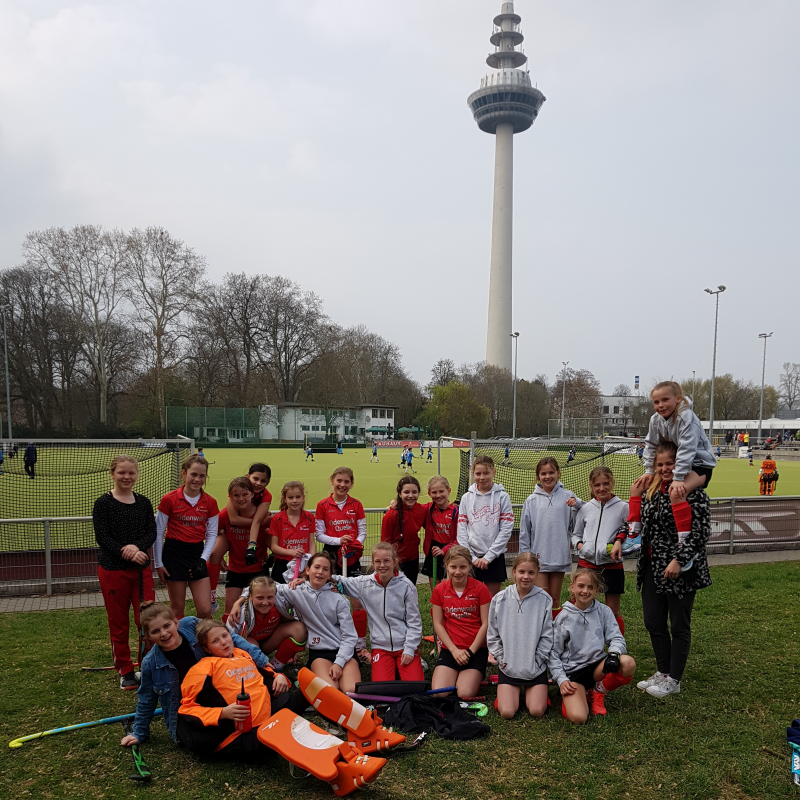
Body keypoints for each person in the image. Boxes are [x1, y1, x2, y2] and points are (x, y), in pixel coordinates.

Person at [120, 601, 276, 748]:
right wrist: (139, 733)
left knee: (269, 689)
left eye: (167, 626)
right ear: (148, 637)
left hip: (214, 694)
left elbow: (233, 638)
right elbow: (146, 699)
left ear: (176, 622)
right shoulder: (150, 663)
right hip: (189, 711)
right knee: (201, 741)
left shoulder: (191, 625)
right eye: (155, 631)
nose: (164, 633)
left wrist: (260, 659)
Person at [636, 442, 711, 699]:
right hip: (651, 567)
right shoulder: (653, 491)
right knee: (653, 622)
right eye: (660, 464)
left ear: (681, 463)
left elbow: (701, 534)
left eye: (670, 463)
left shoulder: (694, 492)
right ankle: (663, 671)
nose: (665, 468)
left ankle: (674, 679)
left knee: (679, 624)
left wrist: (679, 560)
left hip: (681, 569)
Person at [176, 620, 308, 759]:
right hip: (244, 732)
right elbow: (186, 709)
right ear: (207, 648)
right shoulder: (202, 669)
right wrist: (222, 713)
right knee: (276, 742)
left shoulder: (241, 654)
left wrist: (279, 676)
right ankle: (285, 733)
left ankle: (295, 726)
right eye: (215, 641)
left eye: (225, 636)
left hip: (271, 713)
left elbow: (263, 671)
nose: (223, 642)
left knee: (310, 688)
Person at [92, 455, 157, 690]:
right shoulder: (103, 503)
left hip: (141, 571)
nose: (127, 477)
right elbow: (103, 537)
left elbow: (151, 533)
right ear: (113, 474)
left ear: (137, 474)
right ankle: (125, 669)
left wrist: (137, 548)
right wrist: (127, 551)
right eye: (122, 473)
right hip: (113, 571)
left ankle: (148, 665)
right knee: (118, 622)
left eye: (131, 473)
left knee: (148, 620)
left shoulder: (143, 503)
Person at [628, 381, 715, 554]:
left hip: (699, 465)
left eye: (665, 400)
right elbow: (651, 444)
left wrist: (678, 478)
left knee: (676, 493)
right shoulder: (655, 420)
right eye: (656, 402)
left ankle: (684, 545)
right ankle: (634, 535)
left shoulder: (686, 417)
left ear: (678, 399)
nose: (660, 405)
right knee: (636, 487)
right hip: (676, 464)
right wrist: (649, 471)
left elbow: (687, 448)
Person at [549, 569, 636, 722]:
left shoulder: (604, 611)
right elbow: (553, 653)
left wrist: (614, 653)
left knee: (627, 663)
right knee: (578, 717)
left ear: (597, 590)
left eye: (590, 587)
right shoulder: (563, 618)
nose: (585, 591)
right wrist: (561, 679)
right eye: (581, 586)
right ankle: (576, 696)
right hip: (573, 673)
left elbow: (617, 638)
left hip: (597, 667)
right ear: (572, 587)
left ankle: (597, 692)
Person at [335, 542, 424, 681]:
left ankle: (413, 662)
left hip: (404, 645)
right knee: (382, 688)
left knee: (415, 686)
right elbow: (339, 580)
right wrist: (310, 577)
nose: (382, 565)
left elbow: (415, 622)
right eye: (378, 561)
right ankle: (386, 665)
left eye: (387, 561)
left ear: (395, 562)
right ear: (373, 563)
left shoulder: (407, 586)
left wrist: (410, 649)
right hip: (381, 647)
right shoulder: (364, 584)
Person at [488, 553, 553, 719]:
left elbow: (547, 636)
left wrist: (538, 659)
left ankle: (540, 695)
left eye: (531, 573)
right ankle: (504, 697)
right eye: (522, 571)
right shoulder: (499, 599)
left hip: (535, 667)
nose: (526, 576)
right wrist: (501, 658)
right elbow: (492, 634)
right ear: (514, 572)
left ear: (537, 574)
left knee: (537, 711)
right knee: (507, 712)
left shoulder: (545, 599)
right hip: (509, 666)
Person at [154, 454, 219, 620]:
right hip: (174, 554)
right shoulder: (169, 499)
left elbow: (212, 534)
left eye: (202, 475)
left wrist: (203, 559)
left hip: (197, 555)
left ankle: (206, 644)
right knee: (177, 610)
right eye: (193, 474)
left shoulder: (210, 502)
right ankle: (179, 645)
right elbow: (159, 531)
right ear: (184, 474)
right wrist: (159, 563)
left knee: (205, 610)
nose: (197, 479)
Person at [314, 467, 368, 655]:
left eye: (346, 481)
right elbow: (319, 535)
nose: (342, 485)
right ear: (332, 481)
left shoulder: (357, 505)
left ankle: (360, 645)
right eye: (339, 481)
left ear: (351, 484)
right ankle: (331, 638)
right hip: (330, 555)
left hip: (351, 555)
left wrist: (354, 545)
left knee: (357, 600)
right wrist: (338, 542)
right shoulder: (322, 505)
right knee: (330, 597)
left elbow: (362, 532)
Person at [519, 457, 582, 612]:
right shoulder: (531, 500)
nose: (548, 477)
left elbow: (581, 518)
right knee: (541, 598)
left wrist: (578, 504)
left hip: (559, 556)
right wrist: (525, 557)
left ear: (558, 473)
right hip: (538, 558)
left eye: (551, 472)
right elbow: (524, 531)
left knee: (554, 599)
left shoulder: (568, 496)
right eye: (543, 473)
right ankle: (540, 634)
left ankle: (554, 633)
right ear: (538, 476)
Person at [571, 466, 630, 634]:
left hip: (612, 565)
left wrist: (619, 543)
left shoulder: (622, 507)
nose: (602, 488)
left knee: (613, 611)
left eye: (606, 483)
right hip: (587, 565)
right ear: (591, 486)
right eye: (597, 485)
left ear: (612, 482)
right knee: (580, 606)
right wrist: (582, 547)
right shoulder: (585, 508)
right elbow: (575, 534)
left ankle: (615, 648)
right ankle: (581, 644)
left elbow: (630, 530)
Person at [209, 463, 273, 614]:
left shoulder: (264, 511)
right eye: (236, 495)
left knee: (258, 612)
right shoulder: (227, 514)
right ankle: (211, 595)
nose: (241, 498)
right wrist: (219, 558)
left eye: (245, 495)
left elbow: (272, 536)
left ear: (251, 494)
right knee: (230, 611)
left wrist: (273, 556)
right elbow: (215, 531)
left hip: (257, 568)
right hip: (236, 570)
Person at [430, 545, 492, 699]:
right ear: (446, 566)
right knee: (440, 693)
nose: (458, 572)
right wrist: (453, 650)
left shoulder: (480, 589)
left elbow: (486, 624)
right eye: (453, 567)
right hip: (451, 649)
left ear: (470, 566)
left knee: (464, 693)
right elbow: (437, 623)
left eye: (463, 567)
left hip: (475, 650)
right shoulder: (439, 590)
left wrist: (470, 651)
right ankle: (456, 673)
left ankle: (473, 674)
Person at [457, 455, 514, 597]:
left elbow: (506, 529)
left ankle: (489, 621)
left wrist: (489, 557)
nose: (482, 477)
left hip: (494, 558)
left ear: (494, 472)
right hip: (471, 557)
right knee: (470, 599)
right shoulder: (466, 497)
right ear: (473, 474)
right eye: (478, 473)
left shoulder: (502, 497)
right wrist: (472, 557)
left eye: (486, 473)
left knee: (492, 600)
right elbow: (462, 529)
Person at [227, 575, 306, 671]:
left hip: (270, 641)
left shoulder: (280, 602)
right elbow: (229, 637)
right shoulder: (240, 612)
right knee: (252, 645)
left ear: (275, 595)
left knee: (299, 628)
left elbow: (304, 590)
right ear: (250, 597)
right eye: (260, 598)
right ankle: (257, 668)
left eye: (269, 597)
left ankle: (276, 665)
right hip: (251, 645)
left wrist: (304, 581)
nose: (265, 602)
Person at [380, 476, 426, 585]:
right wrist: (389, 562)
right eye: (406, 492)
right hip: (395, 562)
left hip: (413, 559)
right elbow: (385, 543)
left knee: (410, 591)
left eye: (414, 492)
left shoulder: (422, 510)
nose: (411, 496)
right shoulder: (391, 515)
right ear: (400, 494)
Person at [268, 480, 315, 582]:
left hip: (303, 565)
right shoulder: (277, 519)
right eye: (290, 497)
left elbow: (311, 544)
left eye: (298, 497)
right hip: (282, 564)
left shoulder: (310, 517)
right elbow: (274, 547)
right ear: (284, 499)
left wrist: (311, 565)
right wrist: (292, 552)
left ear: (303, 497)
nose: (294, 501)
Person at [420, 475, 459, 588]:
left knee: (452, 583)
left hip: (452, 549)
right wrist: (394, 503)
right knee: (435, 584)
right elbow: (413, 508)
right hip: (434, 548)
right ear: (429, 494)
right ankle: (437, 604)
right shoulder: (428, 508)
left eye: (441, 491)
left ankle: (451, 604)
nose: (438, 495)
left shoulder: (456, 511)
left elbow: (460, 537)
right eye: (434, 492)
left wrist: (445, 550)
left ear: (449, 490)